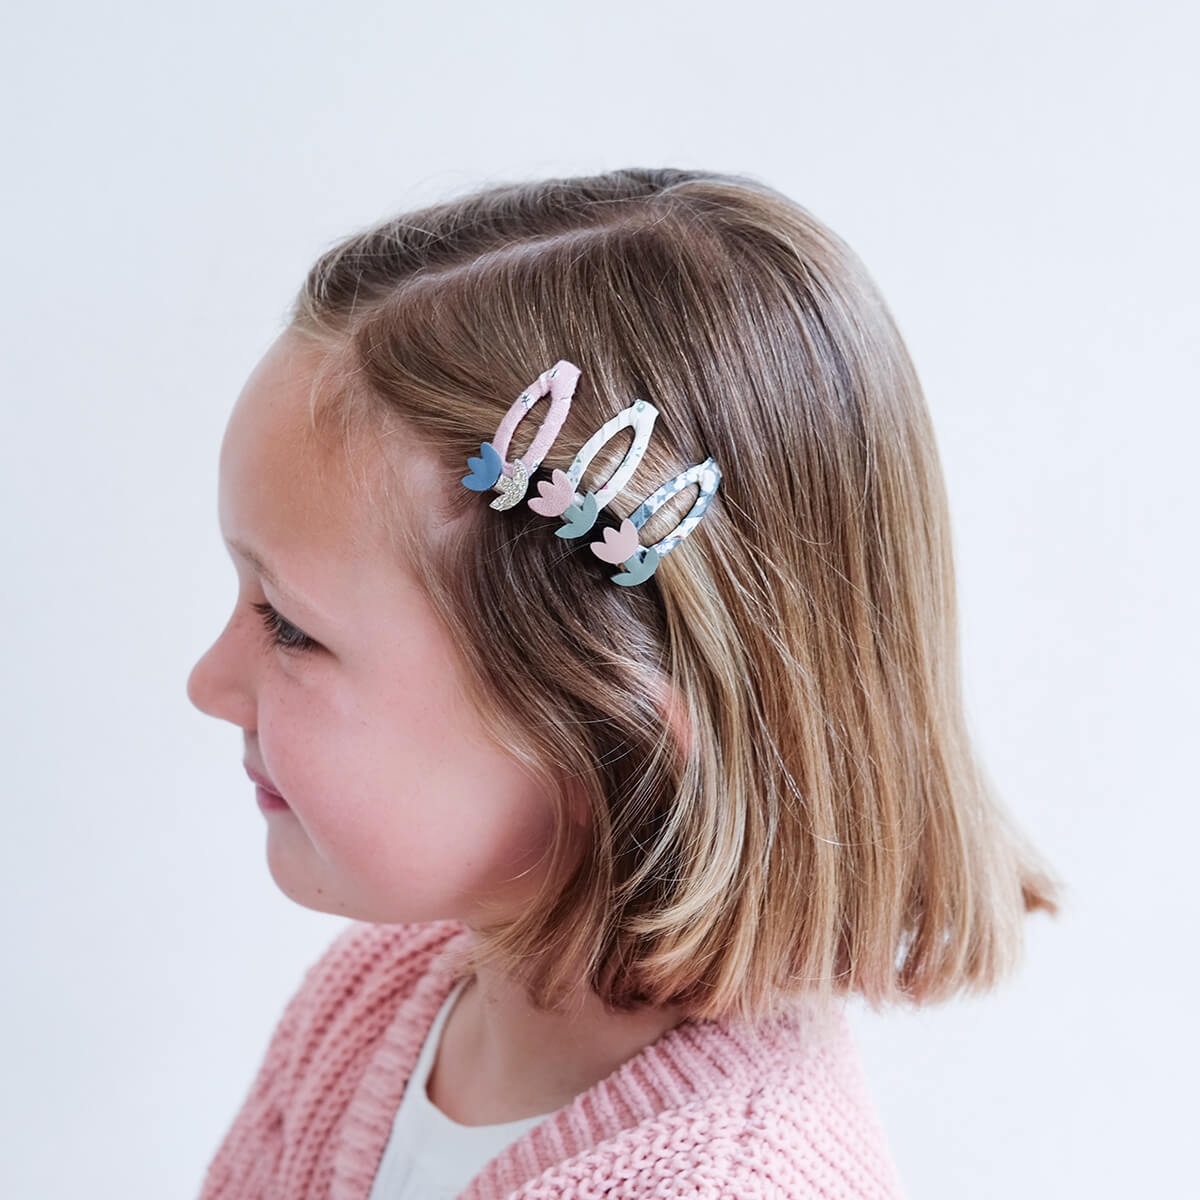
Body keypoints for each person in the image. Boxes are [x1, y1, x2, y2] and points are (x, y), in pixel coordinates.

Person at [186, 167, 1062, 1199]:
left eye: (291, 627)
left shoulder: (734, 1185)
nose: (208, 682)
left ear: (610, 741)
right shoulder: (370, 1005)